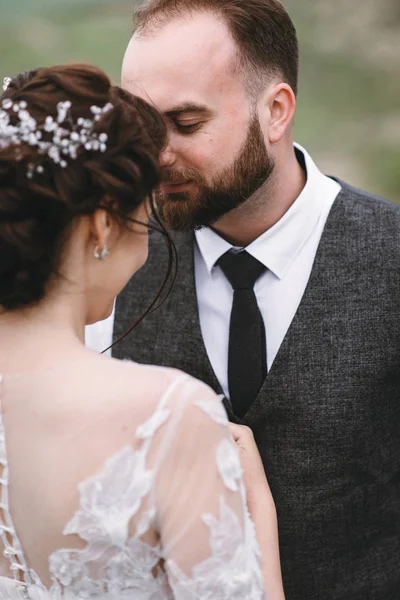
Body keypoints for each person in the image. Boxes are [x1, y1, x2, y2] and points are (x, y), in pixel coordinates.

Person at [86, 1, 400, 598]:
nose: (155, 155)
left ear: (276, 111)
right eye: (141, 127)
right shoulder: (110, 261)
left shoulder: (393, 257)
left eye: (185, 123)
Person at [0, 64, 285, 599]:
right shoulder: (167, 418)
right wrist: (260, 524)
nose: (152, 238)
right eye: (146, 212)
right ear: (105, 224)